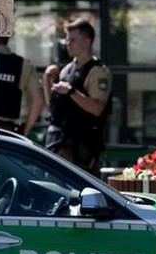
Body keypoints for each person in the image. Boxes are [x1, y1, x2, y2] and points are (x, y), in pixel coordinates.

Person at [43, 18, 112, 175]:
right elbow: (54, 109)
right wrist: (48, 81)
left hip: (81, 151)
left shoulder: (98, 71)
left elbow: (97, 108)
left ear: (87, 42)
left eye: (73, 39)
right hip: (57, 145)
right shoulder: (67, 70)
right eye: (67, 39)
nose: (68, 43)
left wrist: (71, 91)